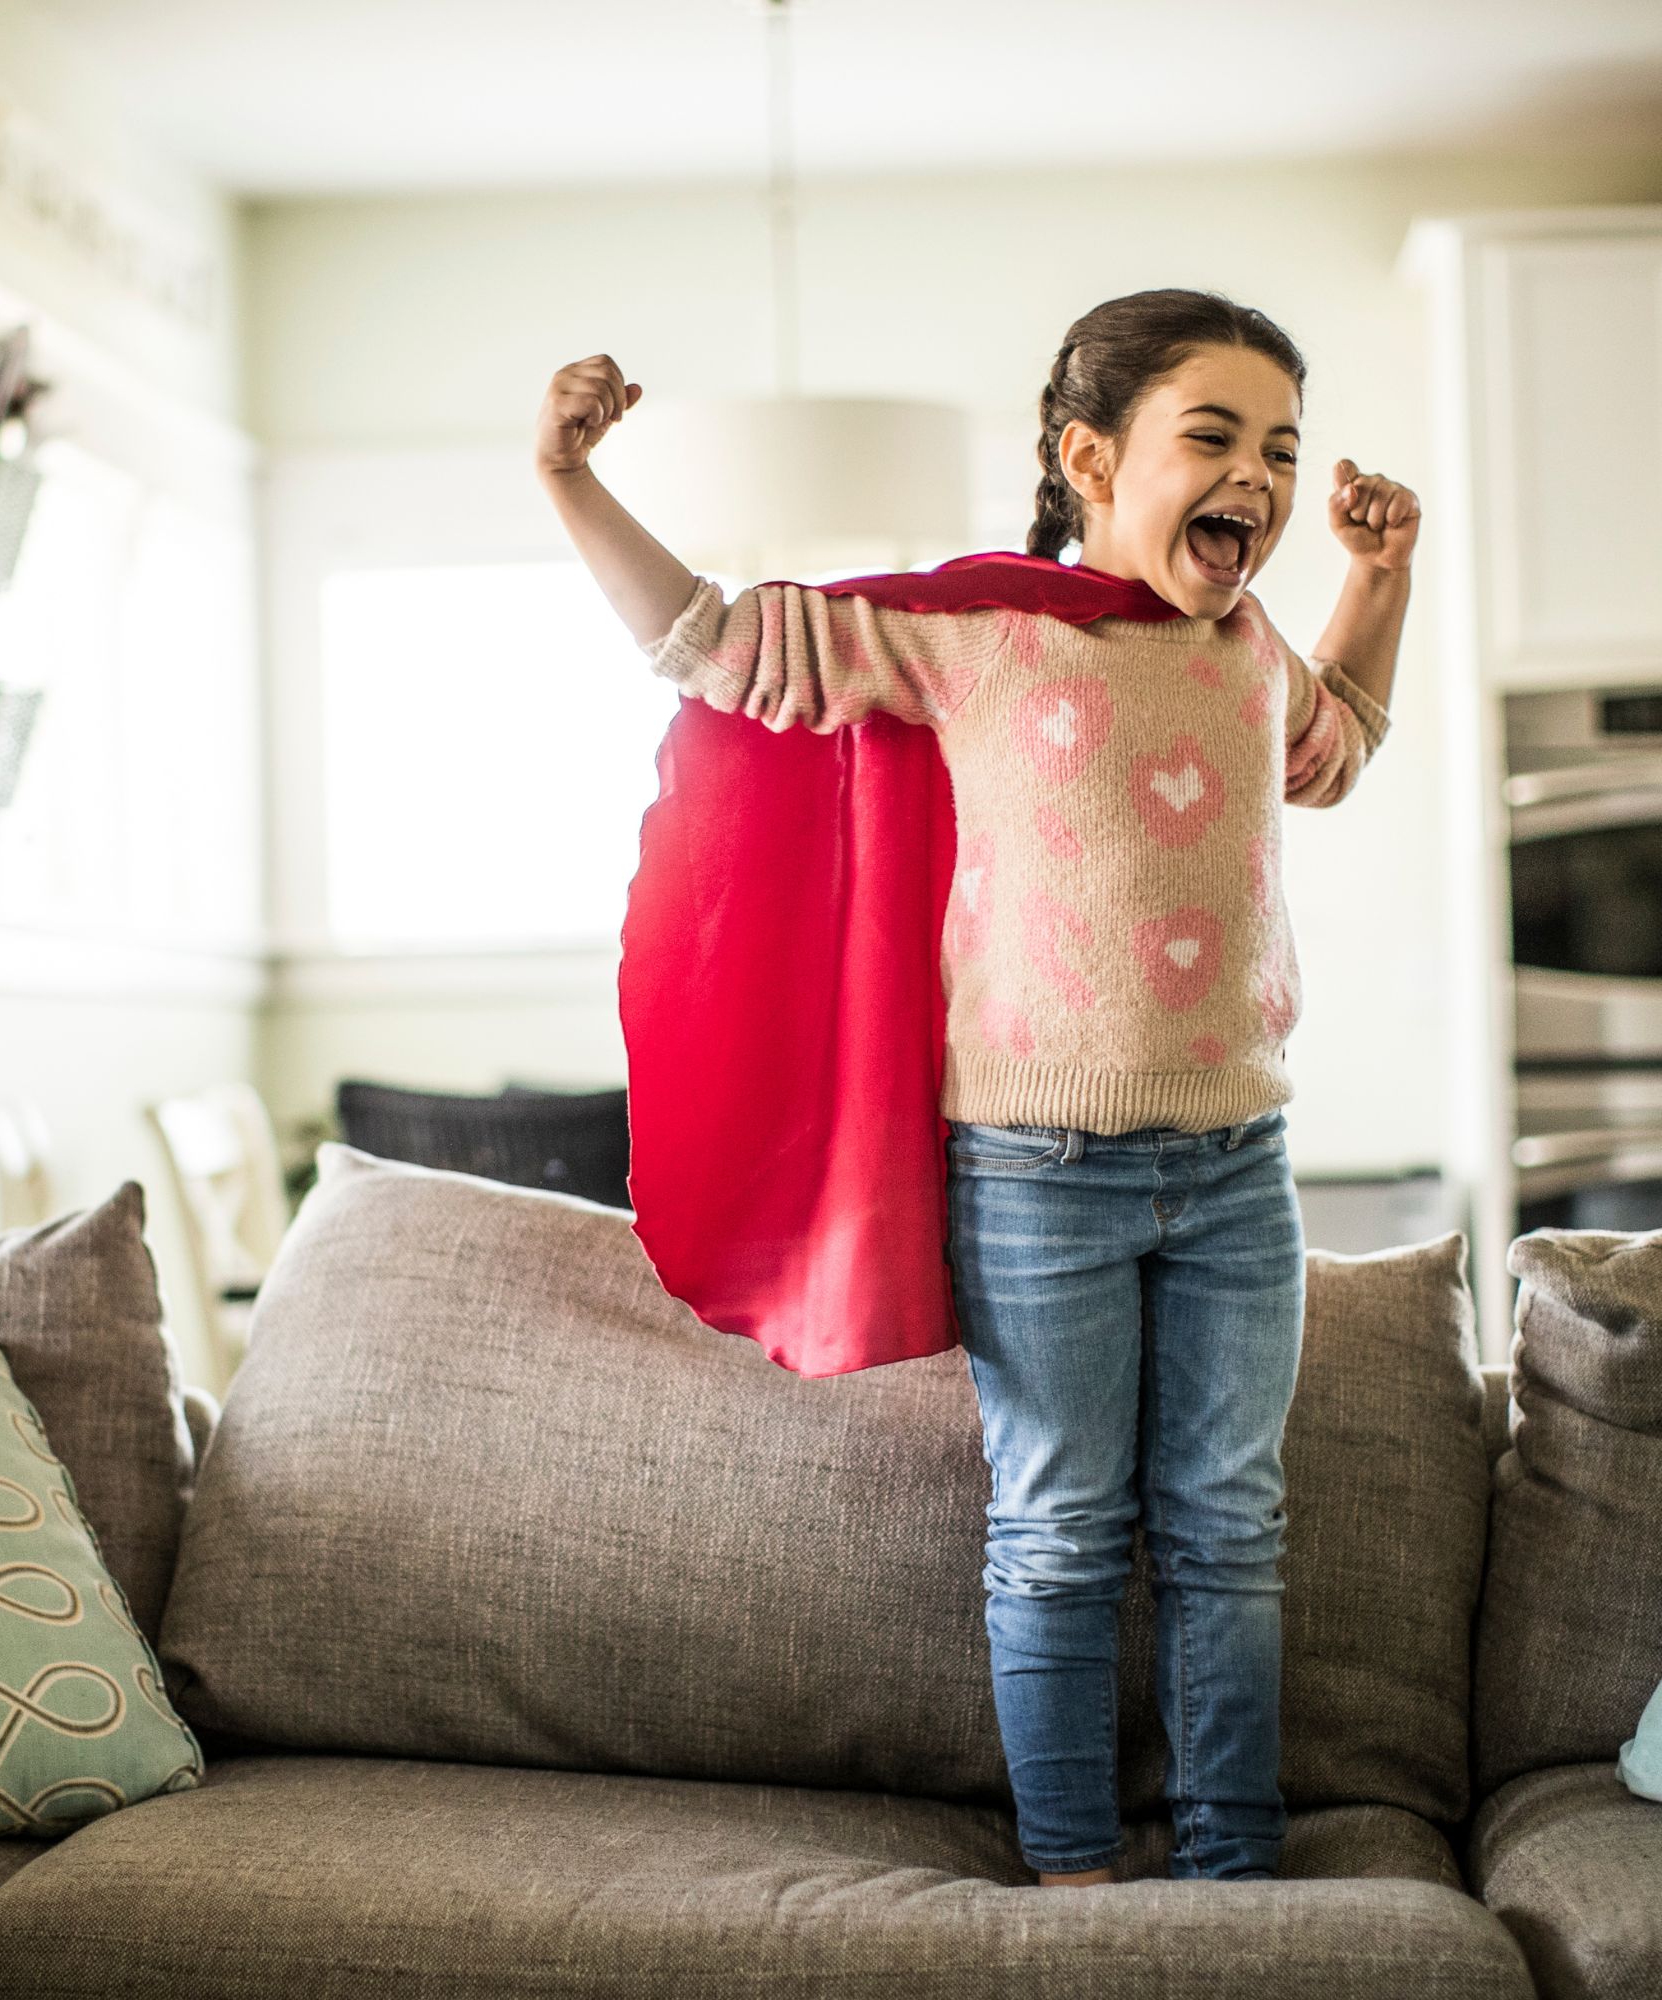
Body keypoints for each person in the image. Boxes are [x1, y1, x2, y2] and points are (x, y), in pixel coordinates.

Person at [536, 288, 1418, 1887]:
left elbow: (1340, 741)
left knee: (1231, 1532)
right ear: (1089, 457)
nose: (1259, 480)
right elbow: (717, 646)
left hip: (1238, 1163)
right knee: (1067, 1528)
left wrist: (1379, 578)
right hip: (1037, 1170)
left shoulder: (1246, 648)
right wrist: (572, 484)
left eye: (1278, 450)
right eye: (1211, 439)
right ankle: (1074, 1873)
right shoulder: (976, 633)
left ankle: (1234, 1874)